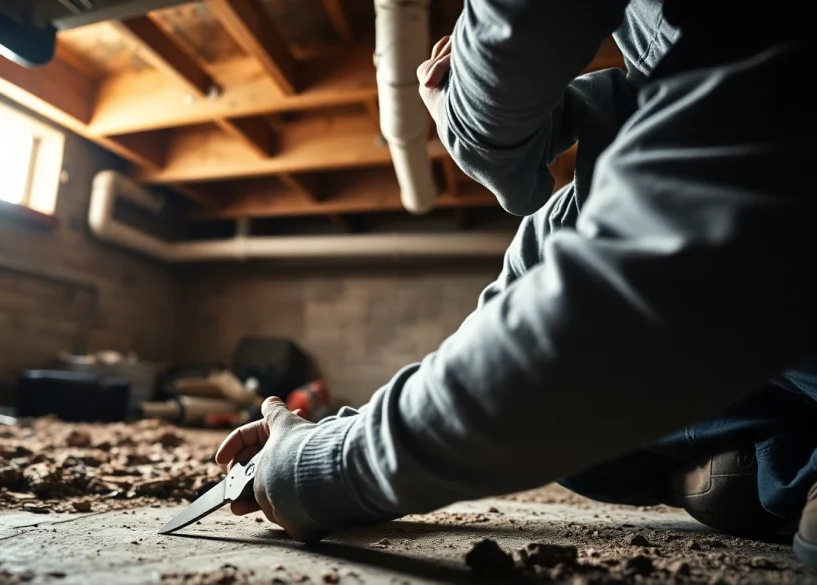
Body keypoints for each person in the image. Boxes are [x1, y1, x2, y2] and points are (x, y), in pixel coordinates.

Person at [214, 0, 817, 567]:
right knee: (585, 442)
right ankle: (770, 463)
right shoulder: (634, 119)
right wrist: (339, 427)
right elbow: (505, 325)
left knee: (560, 408)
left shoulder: (767, 86)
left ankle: (767, 471)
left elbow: (597, 328)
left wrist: (325, 468)